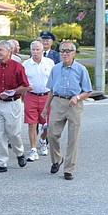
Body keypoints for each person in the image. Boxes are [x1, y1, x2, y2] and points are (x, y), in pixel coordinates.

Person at [42, 41, 92, 181]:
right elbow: (51, 90)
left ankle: (69, 169)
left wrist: (77, 97)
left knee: (73, 138)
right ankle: (57, 159)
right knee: (52, 134)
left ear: (73, 53)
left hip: (74, 104)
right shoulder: (56, 69)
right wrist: (46, 107)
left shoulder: (81, 69)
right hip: (58, 102)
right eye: (62, 51)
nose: (64, 54)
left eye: (67, 51)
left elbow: (87, 90)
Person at [0, 40, 30, 174]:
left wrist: (13, 92)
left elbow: (25, 86)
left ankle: (19, 153)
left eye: (1, 50)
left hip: (12, 103)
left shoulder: (18, 67)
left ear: (9, 51)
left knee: (13, 133)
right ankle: (0, 162)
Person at [23, 40, 55, 161]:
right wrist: (26, 86)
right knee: (32, 124)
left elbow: (54, 79)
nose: (35, 52)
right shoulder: (26, 64)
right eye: (33, 50)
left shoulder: (49, 63)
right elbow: (22, 80)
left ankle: (43, 140)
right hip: (31, 96)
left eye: (38, 50)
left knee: (47, 124)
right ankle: (33, 150)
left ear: (42, 51)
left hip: (46, 96)